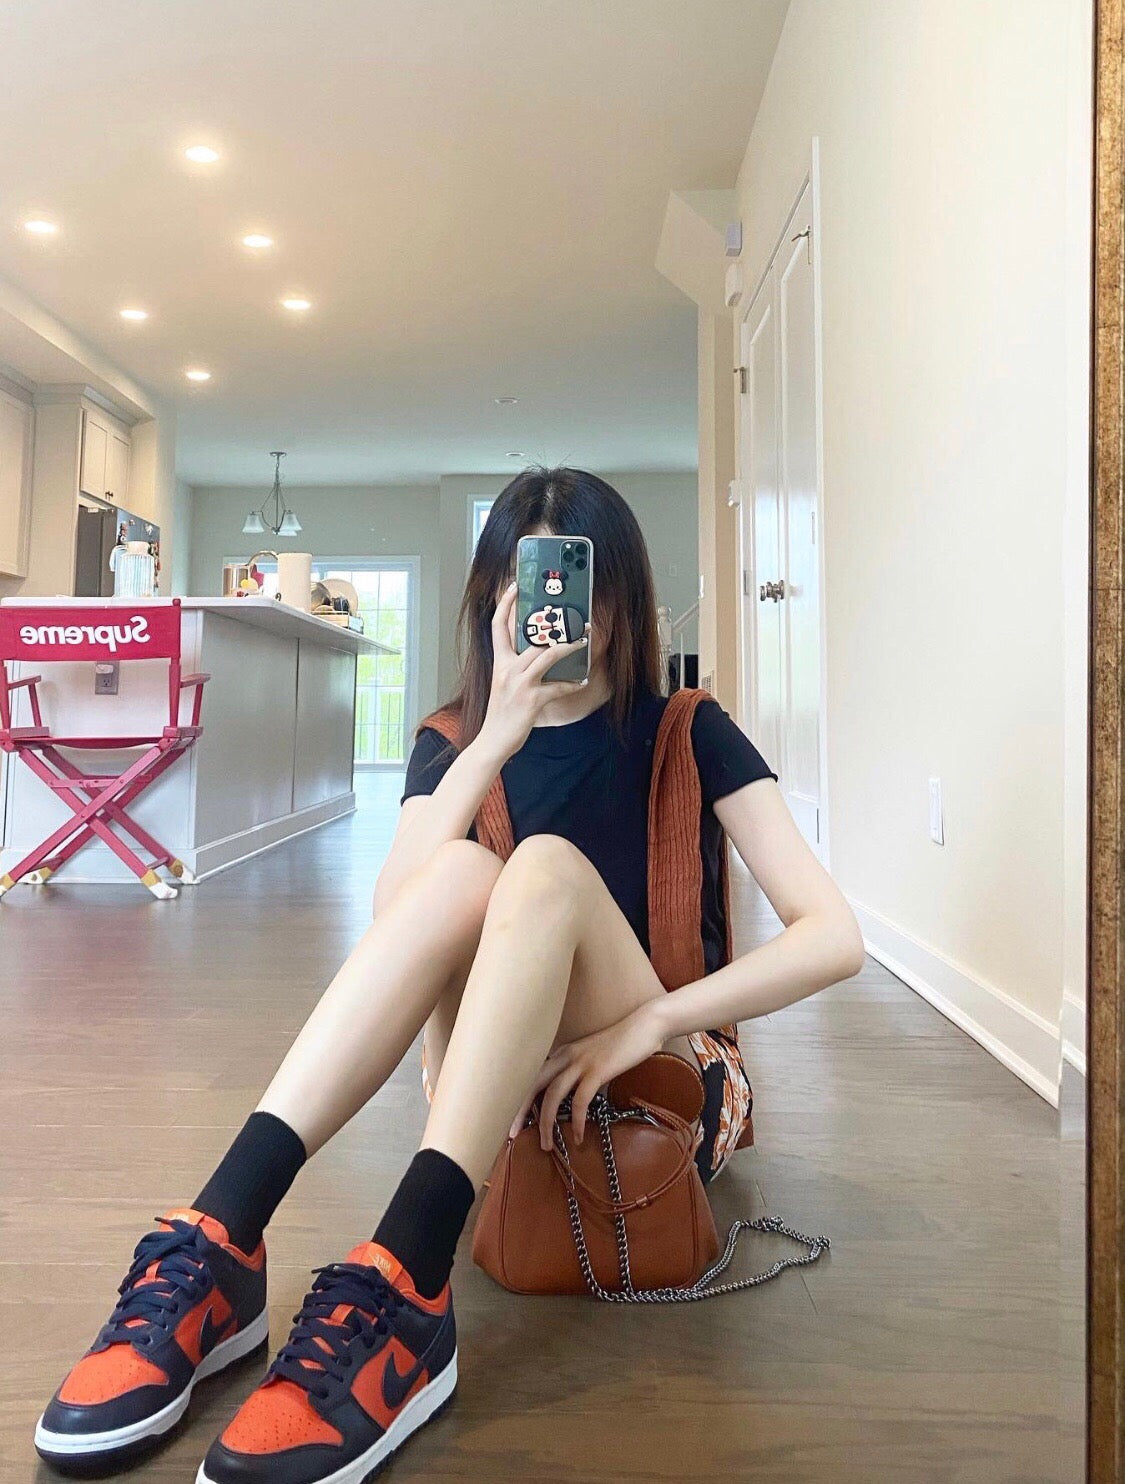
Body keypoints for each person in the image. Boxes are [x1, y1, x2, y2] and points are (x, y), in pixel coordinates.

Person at [34, 467, 865, 1483]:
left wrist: (650, 1022)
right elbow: (397, 913)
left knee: (543, 865)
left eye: (581, 582)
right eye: (529, 587)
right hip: (513, 1083)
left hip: (666, 1069)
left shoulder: (687, 727)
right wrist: (497, 734)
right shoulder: (453, 740)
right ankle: (223, 1236)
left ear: (621, 596)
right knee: (464, 868)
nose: (561, 615)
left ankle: (410, 1283)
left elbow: (834, 936)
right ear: (491, 603)